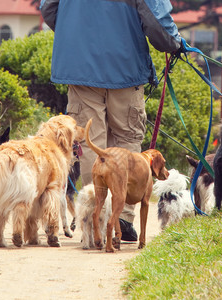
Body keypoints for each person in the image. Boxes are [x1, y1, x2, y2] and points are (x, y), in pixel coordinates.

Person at [41, 0, 184, 242]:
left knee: (89, 143)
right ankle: (123, 219)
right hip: (126, 68)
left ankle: (97, 215)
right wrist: (175, 43)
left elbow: (49, 10)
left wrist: (78, 33)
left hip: (80, 68)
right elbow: (157, 21)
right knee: (127, 140)